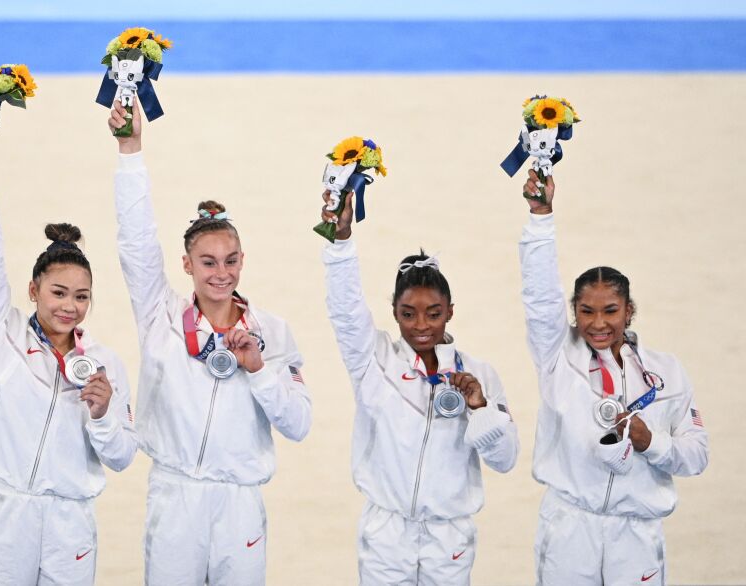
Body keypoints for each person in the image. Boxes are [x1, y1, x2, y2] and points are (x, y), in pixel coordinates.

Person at [107, 99, 312, 585]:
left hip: (239, 503)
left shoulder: (274, 332)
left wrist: (259, 370)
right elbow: (136, 243)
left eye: (230, 260)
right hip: (174, 496)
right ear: (186, 265)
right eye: (208, 262)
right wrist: (130, 150)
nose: (221, 273)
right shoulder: (160, 316)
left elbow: (299, 425)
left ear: (243, 260)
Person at [0, 120, 138, 584]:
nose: (69, 307)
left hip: (70, 523)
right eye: (58, 293)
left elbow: (121, 457)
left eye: (81, 296)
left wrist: (101, 414)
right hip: (7, 509)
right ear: (33, 290)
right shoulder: (2, 333)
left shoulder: (104, 365)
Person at [518, 170, 709, 584]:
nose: (598, 323)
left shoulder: (666, 372)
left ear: (629, 311)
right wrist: (540, 216)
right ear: (574, 312)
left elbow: (696, 456)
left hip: (635, 534)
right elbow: (538, 295)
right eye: (586, 311)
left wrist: (650, 442)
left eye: (610, 311)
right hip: (571, 529)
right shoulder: (558, 358)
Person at [320, 191, 519, 585]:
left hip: (450, 537)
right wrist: (340, 243)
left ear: (450, 312)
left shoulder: (478, 374)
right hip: (386, 532)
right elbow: (345, 311)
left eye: (433, 313)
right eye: (408, 314)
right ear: (394, 312)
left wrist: (480, 408)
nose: (421, 325)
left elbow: (506, 459)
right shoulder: (374, 360)